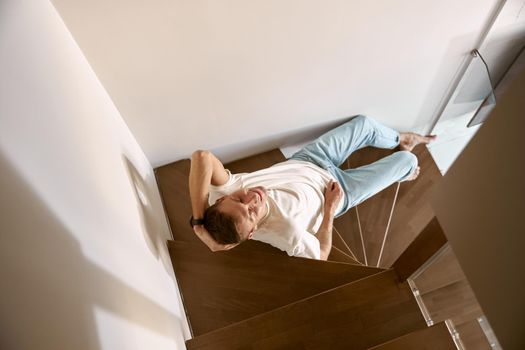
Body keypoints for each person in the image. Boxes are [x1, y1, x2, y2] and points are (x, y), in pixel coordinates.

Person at [189, 115, 436, 260]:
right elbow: (322, 253)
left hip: (310, 158)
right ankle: (403, 166)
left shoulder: (226, 191)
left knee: (364, 123)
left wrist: (199, 223)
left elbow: (201, 157)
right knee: (409, 161)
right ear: (253, 231)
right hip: (340, 192)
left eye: (240, 200)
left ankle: (402, 139)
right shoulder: (285, 233)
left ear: (221, 199)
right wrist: (329, 210)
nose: (253, 199)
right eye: (251, 212)